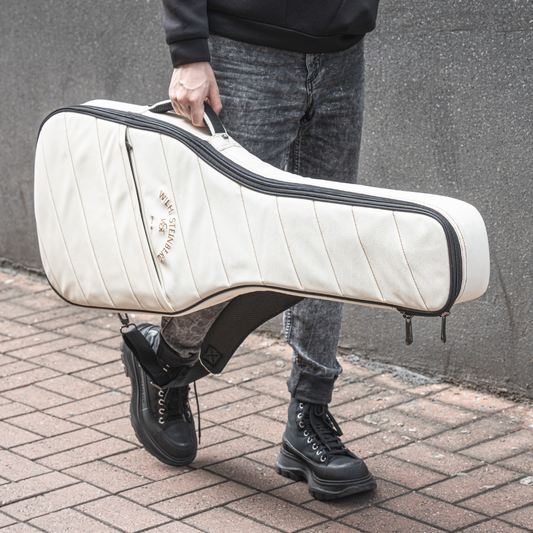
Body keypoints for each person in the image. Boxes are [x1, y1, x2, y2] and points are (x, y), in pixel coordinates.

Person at [121, 0, 380, 500]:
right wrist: (188, 49)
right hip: (244, 50)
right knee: (228, 236)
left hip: (342, 51)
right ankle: (167, 362)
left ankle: (309, 415)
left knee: (327, 237)